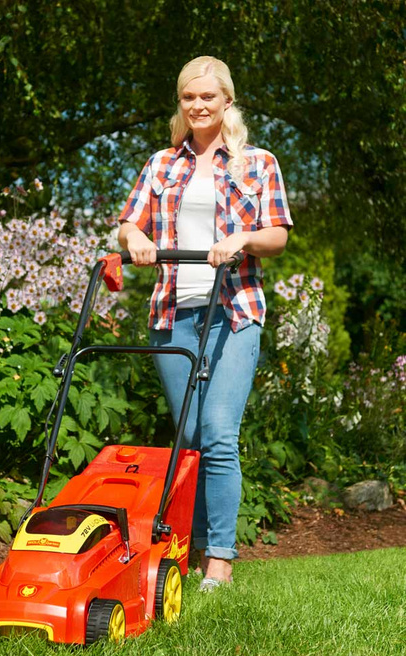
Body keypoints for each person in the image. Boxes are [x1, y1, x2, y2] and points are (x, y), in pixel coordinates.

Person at [118, 56, 293, 590]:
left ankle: (219, 558)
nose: (198, 106)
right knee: (189, 436)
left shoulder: (257, 163)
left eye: (208, 98)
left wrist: (241, 239)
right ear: (181, 103)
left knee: (218, 432)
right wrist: (135, 239)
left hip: (234, 311)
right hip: (173, 314)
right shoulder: (161, 163)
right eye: (189, 98)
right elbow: (127, 224)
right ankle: (186, 551)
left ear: (227, 103)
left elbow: (279, 236)